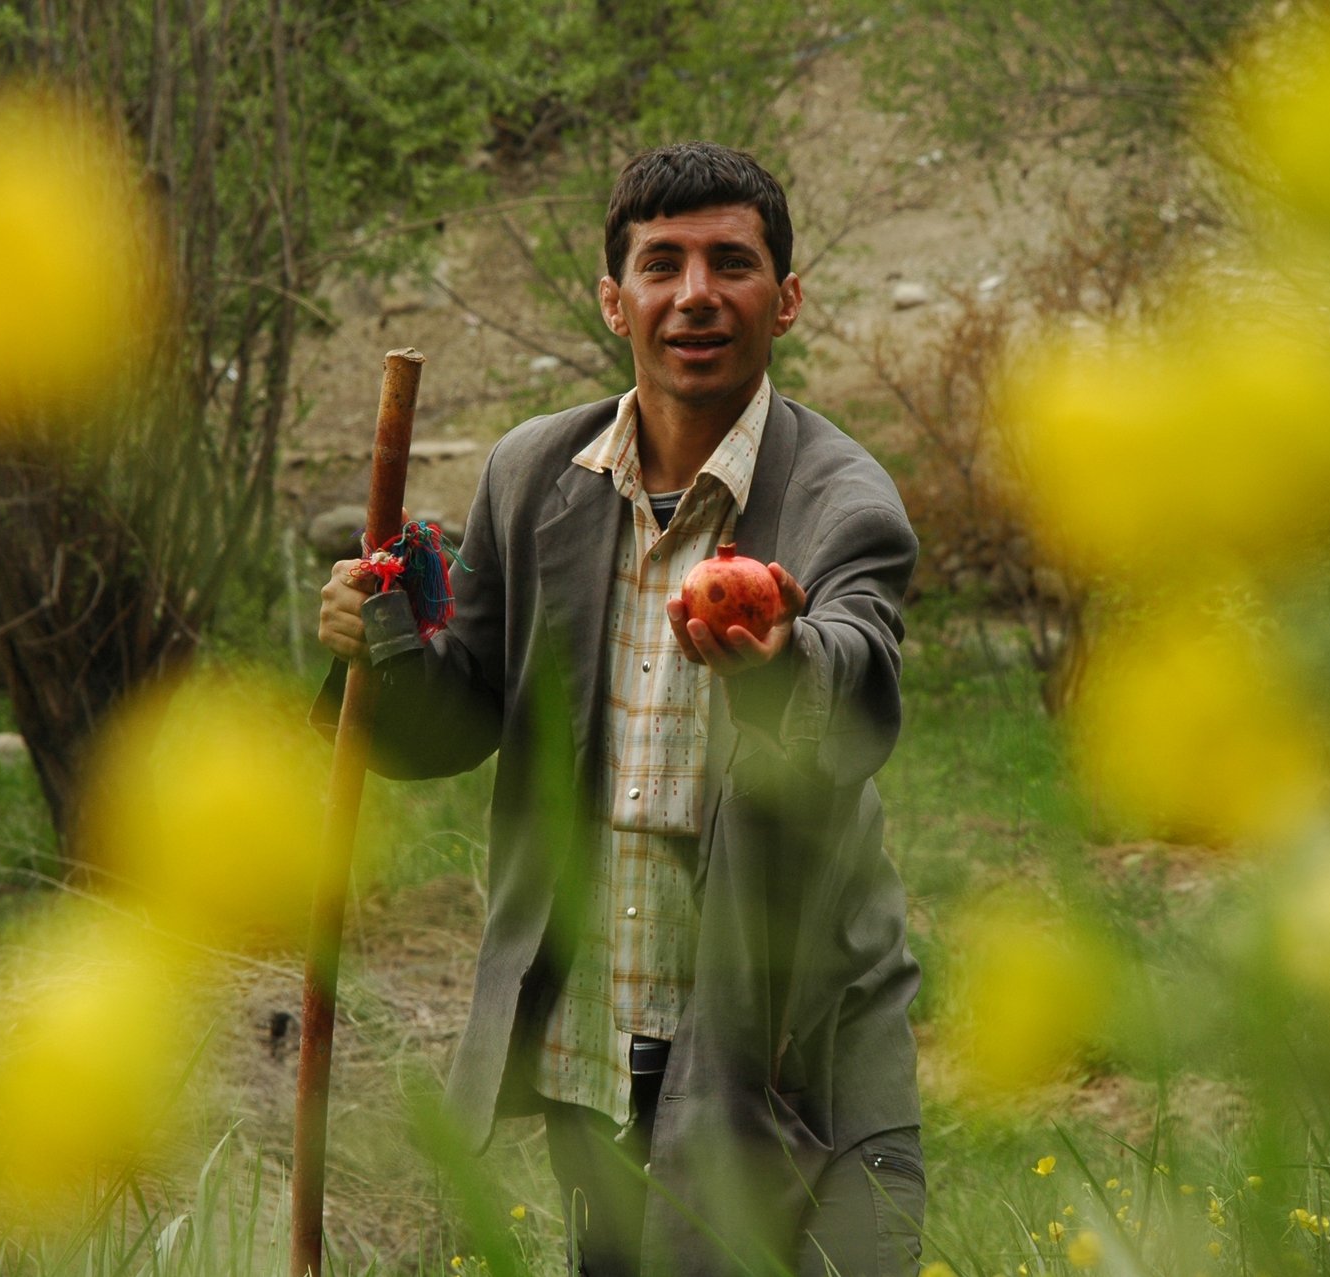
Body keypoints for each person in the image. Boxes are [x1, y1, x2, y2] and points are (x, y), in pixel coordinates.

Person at [316, 141, 923, 1277]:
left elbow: (856, 697)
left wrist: (779, 657)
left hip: (804, 1055)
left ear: (784, 299)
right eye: (662, 263)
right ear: (615, 299)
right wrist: (384, 645)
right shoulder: (533, 475)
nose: (696, 294)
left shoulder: (844, 499)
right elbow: (459, 719)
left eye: (731, 263)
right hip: (596, 1045)